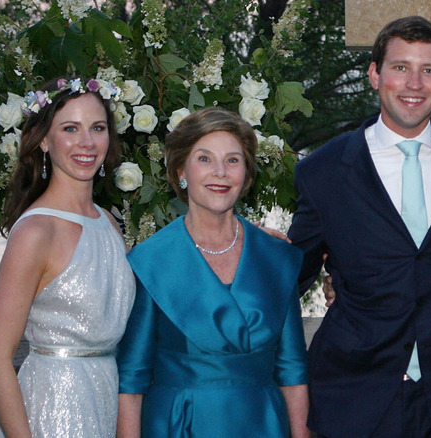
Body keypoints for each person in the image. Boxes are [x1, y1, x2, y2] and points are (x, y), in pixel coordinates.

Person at [288, 16, 431, 438]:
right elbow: (292, 275)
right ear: (374, 74)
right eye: (400, 67)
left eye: (428, 70)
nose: (414, 83)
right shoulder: (323, 170)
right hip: (353, 391)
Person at [115, 107, 310, 438]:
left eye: (233, 160)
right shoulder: (150, 262)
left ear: (246, 176)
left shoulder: (277, 259)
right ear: (181, 170)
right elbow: (131, 380)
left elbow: (292, 371)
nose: (220, 172)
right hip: (178, 426)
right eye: (204, 159)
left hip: (264, 424)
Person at [0, 77, 135, 437]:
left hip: (104, 401)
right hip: (51, 409)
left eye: (97, 128)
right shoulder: (36, 232)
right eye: (70, 128)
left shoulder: (109, 224)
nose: (87, 142)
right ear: (43, 140)